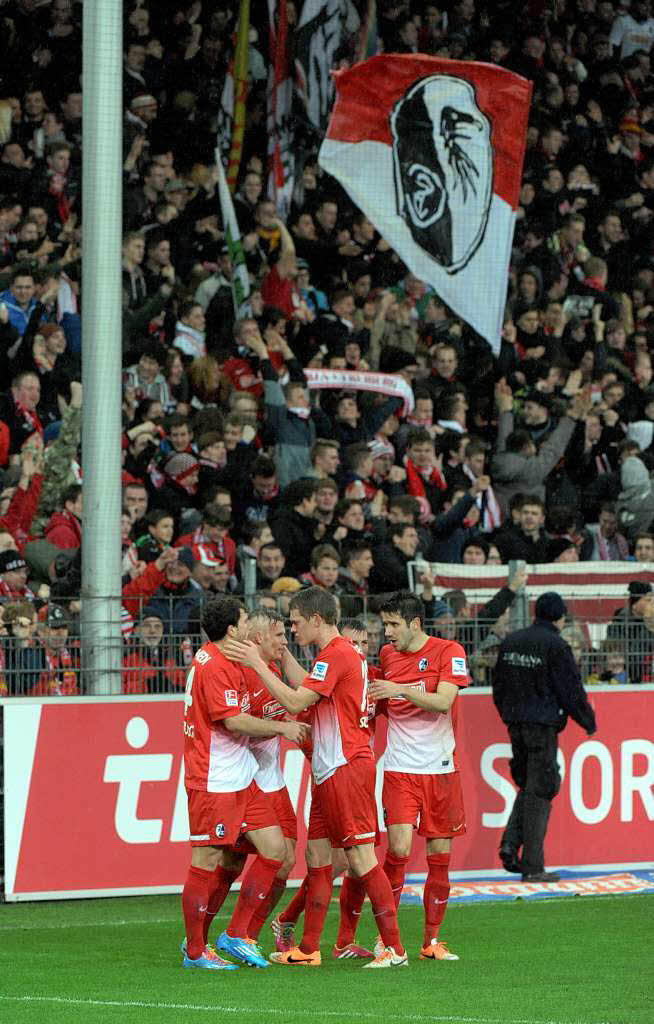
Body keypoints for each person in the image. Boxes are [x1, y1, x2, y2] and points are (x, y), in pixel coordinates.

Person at [224, 586, 407, 968]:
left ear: (316, 619)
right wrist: (283, 656)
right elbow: (308, 683)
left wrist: (259, 663)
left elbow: (295, 701)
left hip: (346, 766)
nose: (290, 630)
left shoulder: (338, 653)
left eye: (294, 623)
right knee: (318, 856)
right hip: (328, 769)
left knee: (359, 857)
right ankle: (309, 949)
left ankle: (394, 949)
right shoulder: (337, 655)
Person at [180, 595, 309, 970]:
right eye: (243, 621)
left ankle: (235, 934)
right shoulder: (215, 665)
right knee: (207, 859)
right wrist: (283, 727)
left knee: (275, 851)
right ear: (234, 629)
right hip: (214, 777)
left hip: (241, 775)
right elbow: (233, 721)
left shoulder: (220, 659)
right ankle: (194, 950)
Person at [369, 591, 468, 961]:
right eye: (384, 625)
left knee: (439, 855)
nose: (387, 633)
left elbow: (444, 701)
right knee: (398, 849)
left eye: (393, 624)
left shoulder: (449, 651)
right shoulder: (387, 656)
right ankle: (388, 939)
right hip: (399, 769)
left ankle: (431, 942)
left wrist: (399, 689)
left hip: (441, 768)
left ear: (414, 623)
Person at [492, 592, 597, 882]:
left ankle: (510, 845)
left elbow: (497, 684)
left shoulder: (511, 641)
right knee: (543, 787)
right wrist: (587, 720)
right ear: (560, 617)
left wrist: (507, 714)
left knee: (529, 784)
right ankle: (533, 867)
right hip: (542, 726)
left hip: (515, 722)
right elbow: (570, 690)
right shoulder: (556, 645)